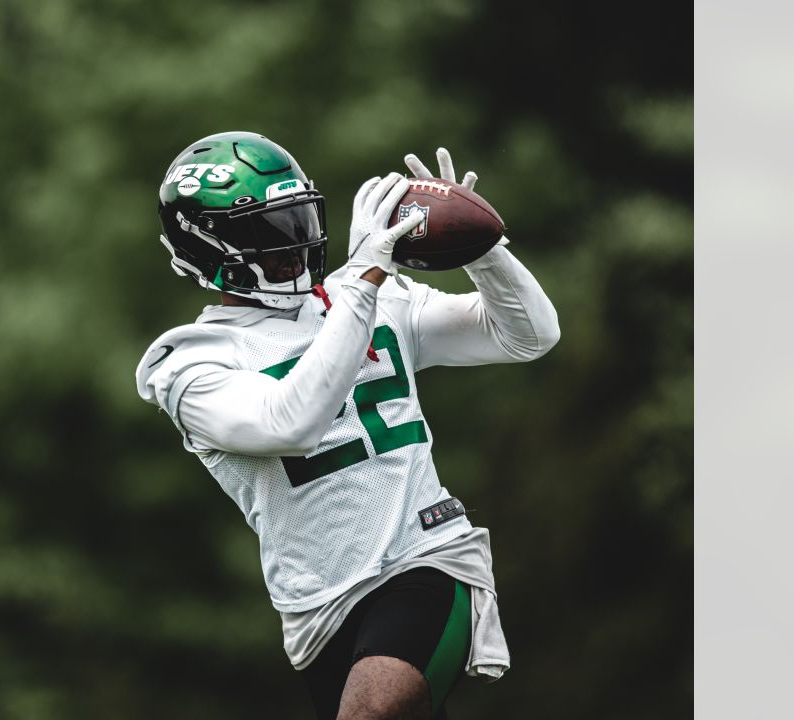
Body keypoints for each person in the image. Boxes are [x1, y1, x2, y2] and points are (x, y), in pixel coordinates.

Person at [135, 131, 560, 719]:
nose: (294, 244)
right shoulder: (188, 360)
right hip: (319, 609)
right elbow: (291, 422)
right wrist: (362, 281)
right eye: (268, 231)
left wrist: (482, 248)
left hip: (427, 557)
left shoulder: (369, 295)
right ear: (204, 247)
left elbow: (529, 335)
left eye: (298, 219)